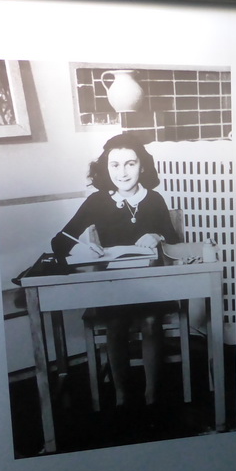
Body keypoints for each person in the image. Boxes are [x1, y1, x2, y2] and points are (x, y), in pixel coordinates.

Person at [51, 133, 181, 408]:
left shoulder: (154, 199)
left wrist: (157, 236)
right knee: (115, 324)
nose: (122, 173)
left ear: (143, 167)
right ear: (105, 168)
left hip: (151, 285)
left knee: (150, 322)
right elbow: (59, 241)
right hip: (113, 286)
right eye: (115, 165)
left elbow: (175, 241)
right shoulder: (97, 201)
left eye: (130, 164)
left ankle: (152, 395)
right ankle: (122, 395)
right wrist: (81, 250)